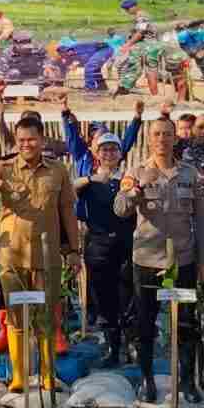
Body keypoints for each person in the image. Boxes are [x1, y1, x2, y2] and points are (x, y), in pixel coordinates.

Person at [0, 117, 80, 393]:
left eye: (31, 139)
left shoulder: (58, 171)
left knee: (45, 318)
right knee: (16, 317)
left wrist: (74, 251)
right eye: (21, 140)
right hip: (12, 255)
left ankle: (46, 375)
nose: (26, 145)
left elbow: (67, 211)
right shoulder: (3, 168)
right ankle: (18, 376)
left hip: (47, 255)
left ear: (42, 140)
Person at [114, 118, 204, 403]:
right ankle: (147, 380)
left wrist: (203, 259)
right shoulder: (136, 172)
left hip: (182, 260)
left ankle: (187, 383)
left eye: (168, 134)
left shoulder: (190, 174)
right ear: (149, 139)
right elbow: (120, 209)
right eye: (157, 134)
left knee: (187, 323)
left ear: (175, 138)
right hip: (147, 260)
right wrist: (136, 190)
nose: (162, 139)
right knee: (145, 323)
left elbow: (200, 220)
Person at [74, 131, 134, 366]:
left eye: (113, 149)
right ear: (96, 154)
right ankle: (112, 347)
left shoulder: (128, 180)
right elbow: (70, 190)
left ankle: (131, 344)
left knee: (128, 296)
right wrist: (90, 180)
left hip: (126, 244)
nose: (109, 153)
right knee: (104, 298)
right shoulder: (88, 181)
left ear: (121, 154)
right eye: (104, 149)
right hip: (98, 245)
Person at [113, 0, 163, 96]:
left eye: (128, 8)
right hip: (149, 45)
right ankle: (154, 95)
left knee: (143, 69)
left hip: (148, 46)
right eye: (125, 9)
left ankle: (125, 89)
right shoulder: (140, 16)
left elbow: (140, 32)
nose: (127, 11)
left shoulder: (141, 16)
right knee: (149, 70)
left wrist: (128, 44)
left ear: (135, 6)